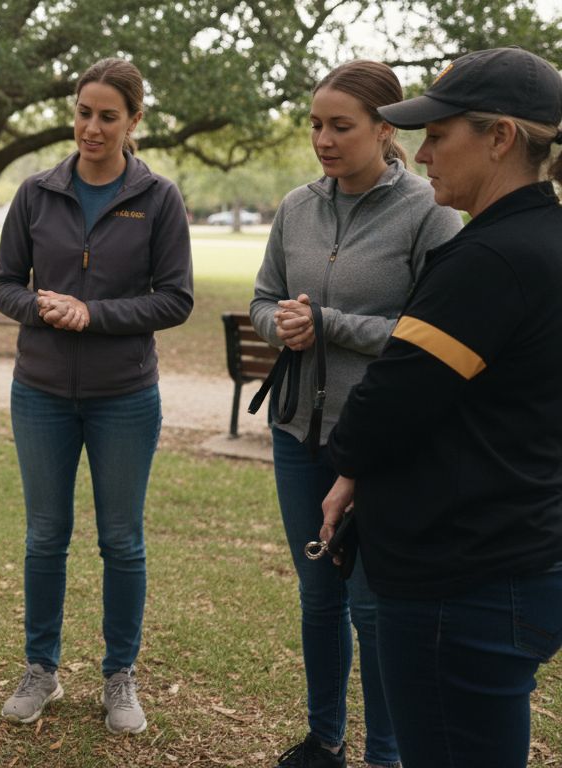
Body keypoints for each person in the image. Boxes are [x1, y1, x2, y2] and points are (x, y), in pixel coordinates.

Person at [321, 47, 562, 768]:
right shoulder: (541, 240)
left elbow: (394, 396)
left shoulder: (491, 260)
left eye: (439, 133)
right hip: (513, 555)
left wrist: (345, 464)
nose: (421, 153)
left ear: (501, 138)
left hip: (462, 581)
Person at [250, 60, 462, 768]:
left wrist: (331, 324)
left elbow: (432, 332)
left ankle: (386, 752)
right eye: (315, 124)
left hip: (376, 442)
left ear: (386, 128)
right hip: (293, 434)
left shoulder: (431, 213)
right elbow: (263, 301)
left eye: (340, 126)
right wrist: (282, 325)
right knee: (318, 601)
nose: (323, 140)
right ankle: (324, 739)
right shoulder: (296, 206)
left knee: (373, 610)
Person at [0, 57, 193, 736]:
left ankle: (119, 677)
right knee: (46, 536)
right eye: (83, 112)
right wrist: (39, 308)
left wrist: (94, 314)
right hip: (41, 391)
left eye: (108, 115)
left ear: (135, 121)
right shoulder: (36, 192)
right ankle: (40, 669)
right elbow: (3, 284)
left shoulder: (158, 198)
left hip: (124, 396)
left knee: (121, 540)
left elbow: (176, 298)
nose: (92, 127)